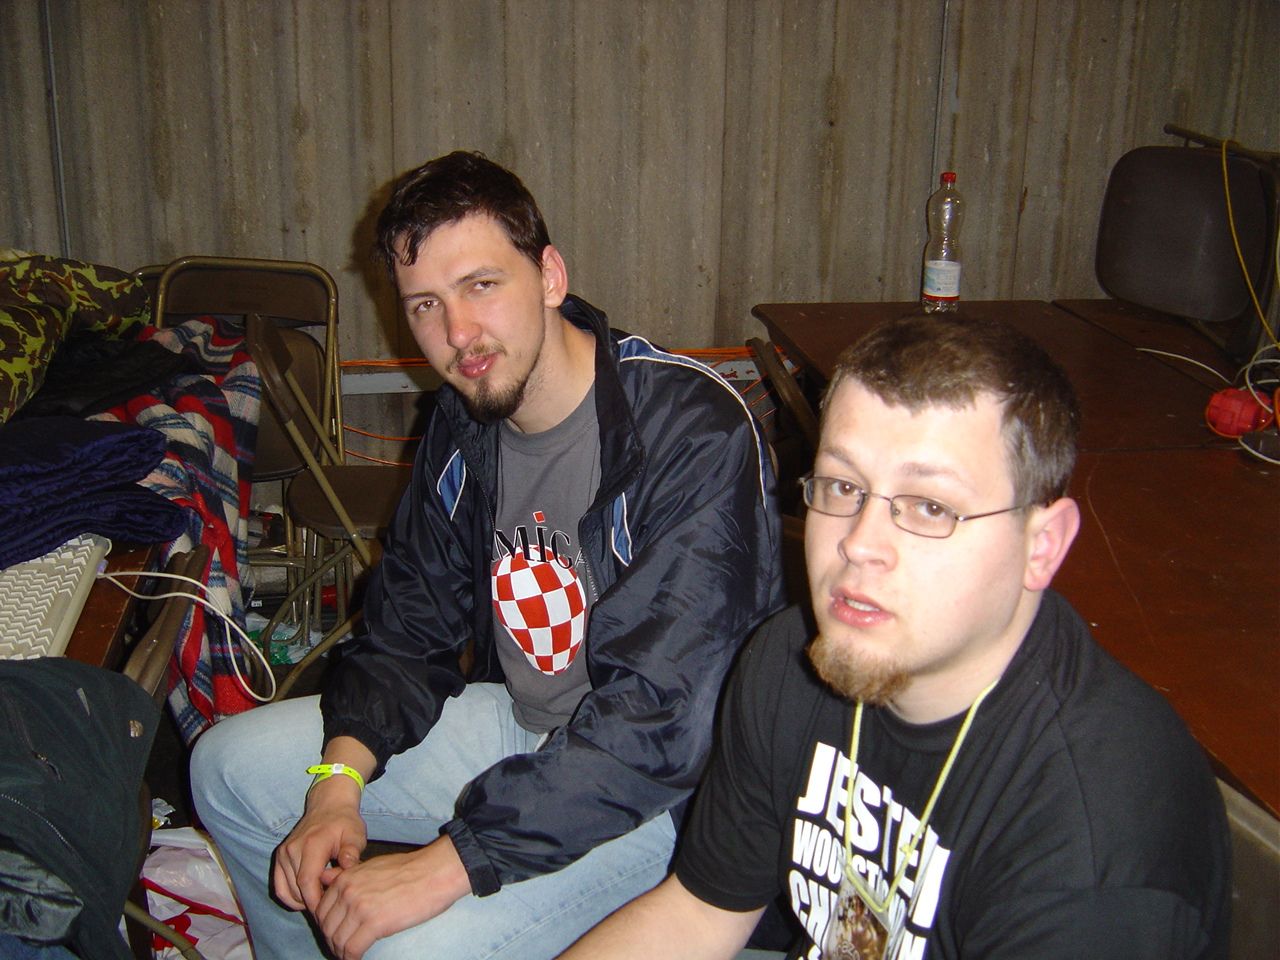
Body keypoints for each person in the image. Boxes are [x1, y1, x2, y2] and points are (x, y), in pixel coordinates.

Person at [190, 150, 782, 960]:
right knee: (226, 767)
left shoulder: (691, 431)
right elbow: (410, 620)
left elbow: (660, 722)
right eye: (426, 304)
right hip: (523, 725)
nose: (457, 334)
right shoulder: (464, 418)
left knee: (405, 948)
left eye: (481, 286)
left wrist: (450, 862)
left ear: (550, 277)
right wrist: (337, 785)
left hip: (667, 799)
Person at [562, 313, 1232, 959]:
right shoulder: (788, 659)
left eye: (930, 506)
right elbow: (700, 912)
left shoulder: (1096, 842)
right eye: (842, 486)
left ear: (1042, 545)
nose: (859, 544)